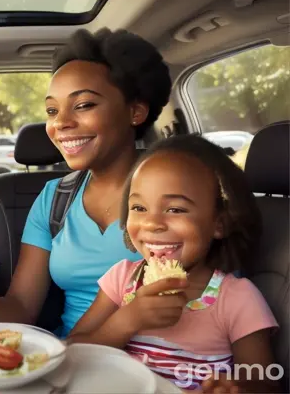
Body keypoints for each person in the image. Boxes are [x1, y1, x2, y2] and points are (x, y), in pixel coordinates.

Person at [0, 28, 172, 333]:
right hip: (76, 360)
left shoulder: (178, 192)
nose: (60, 123)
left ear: (135, 111)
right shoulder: (54, 200)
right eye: (52, 110)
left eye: (83, 105)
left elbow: (214, 300)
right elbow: (20, 310)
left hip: (168, 363)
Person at [68, 135, 279, 393]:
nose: (151, 223)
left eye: (175, 209)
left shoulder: (237, 298)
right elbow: (71, 351)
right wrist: (127, 320)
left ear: (219, 223)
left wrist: (236, 388)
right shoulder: (122, 280)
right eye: (138, 207)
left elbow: (266, 382)